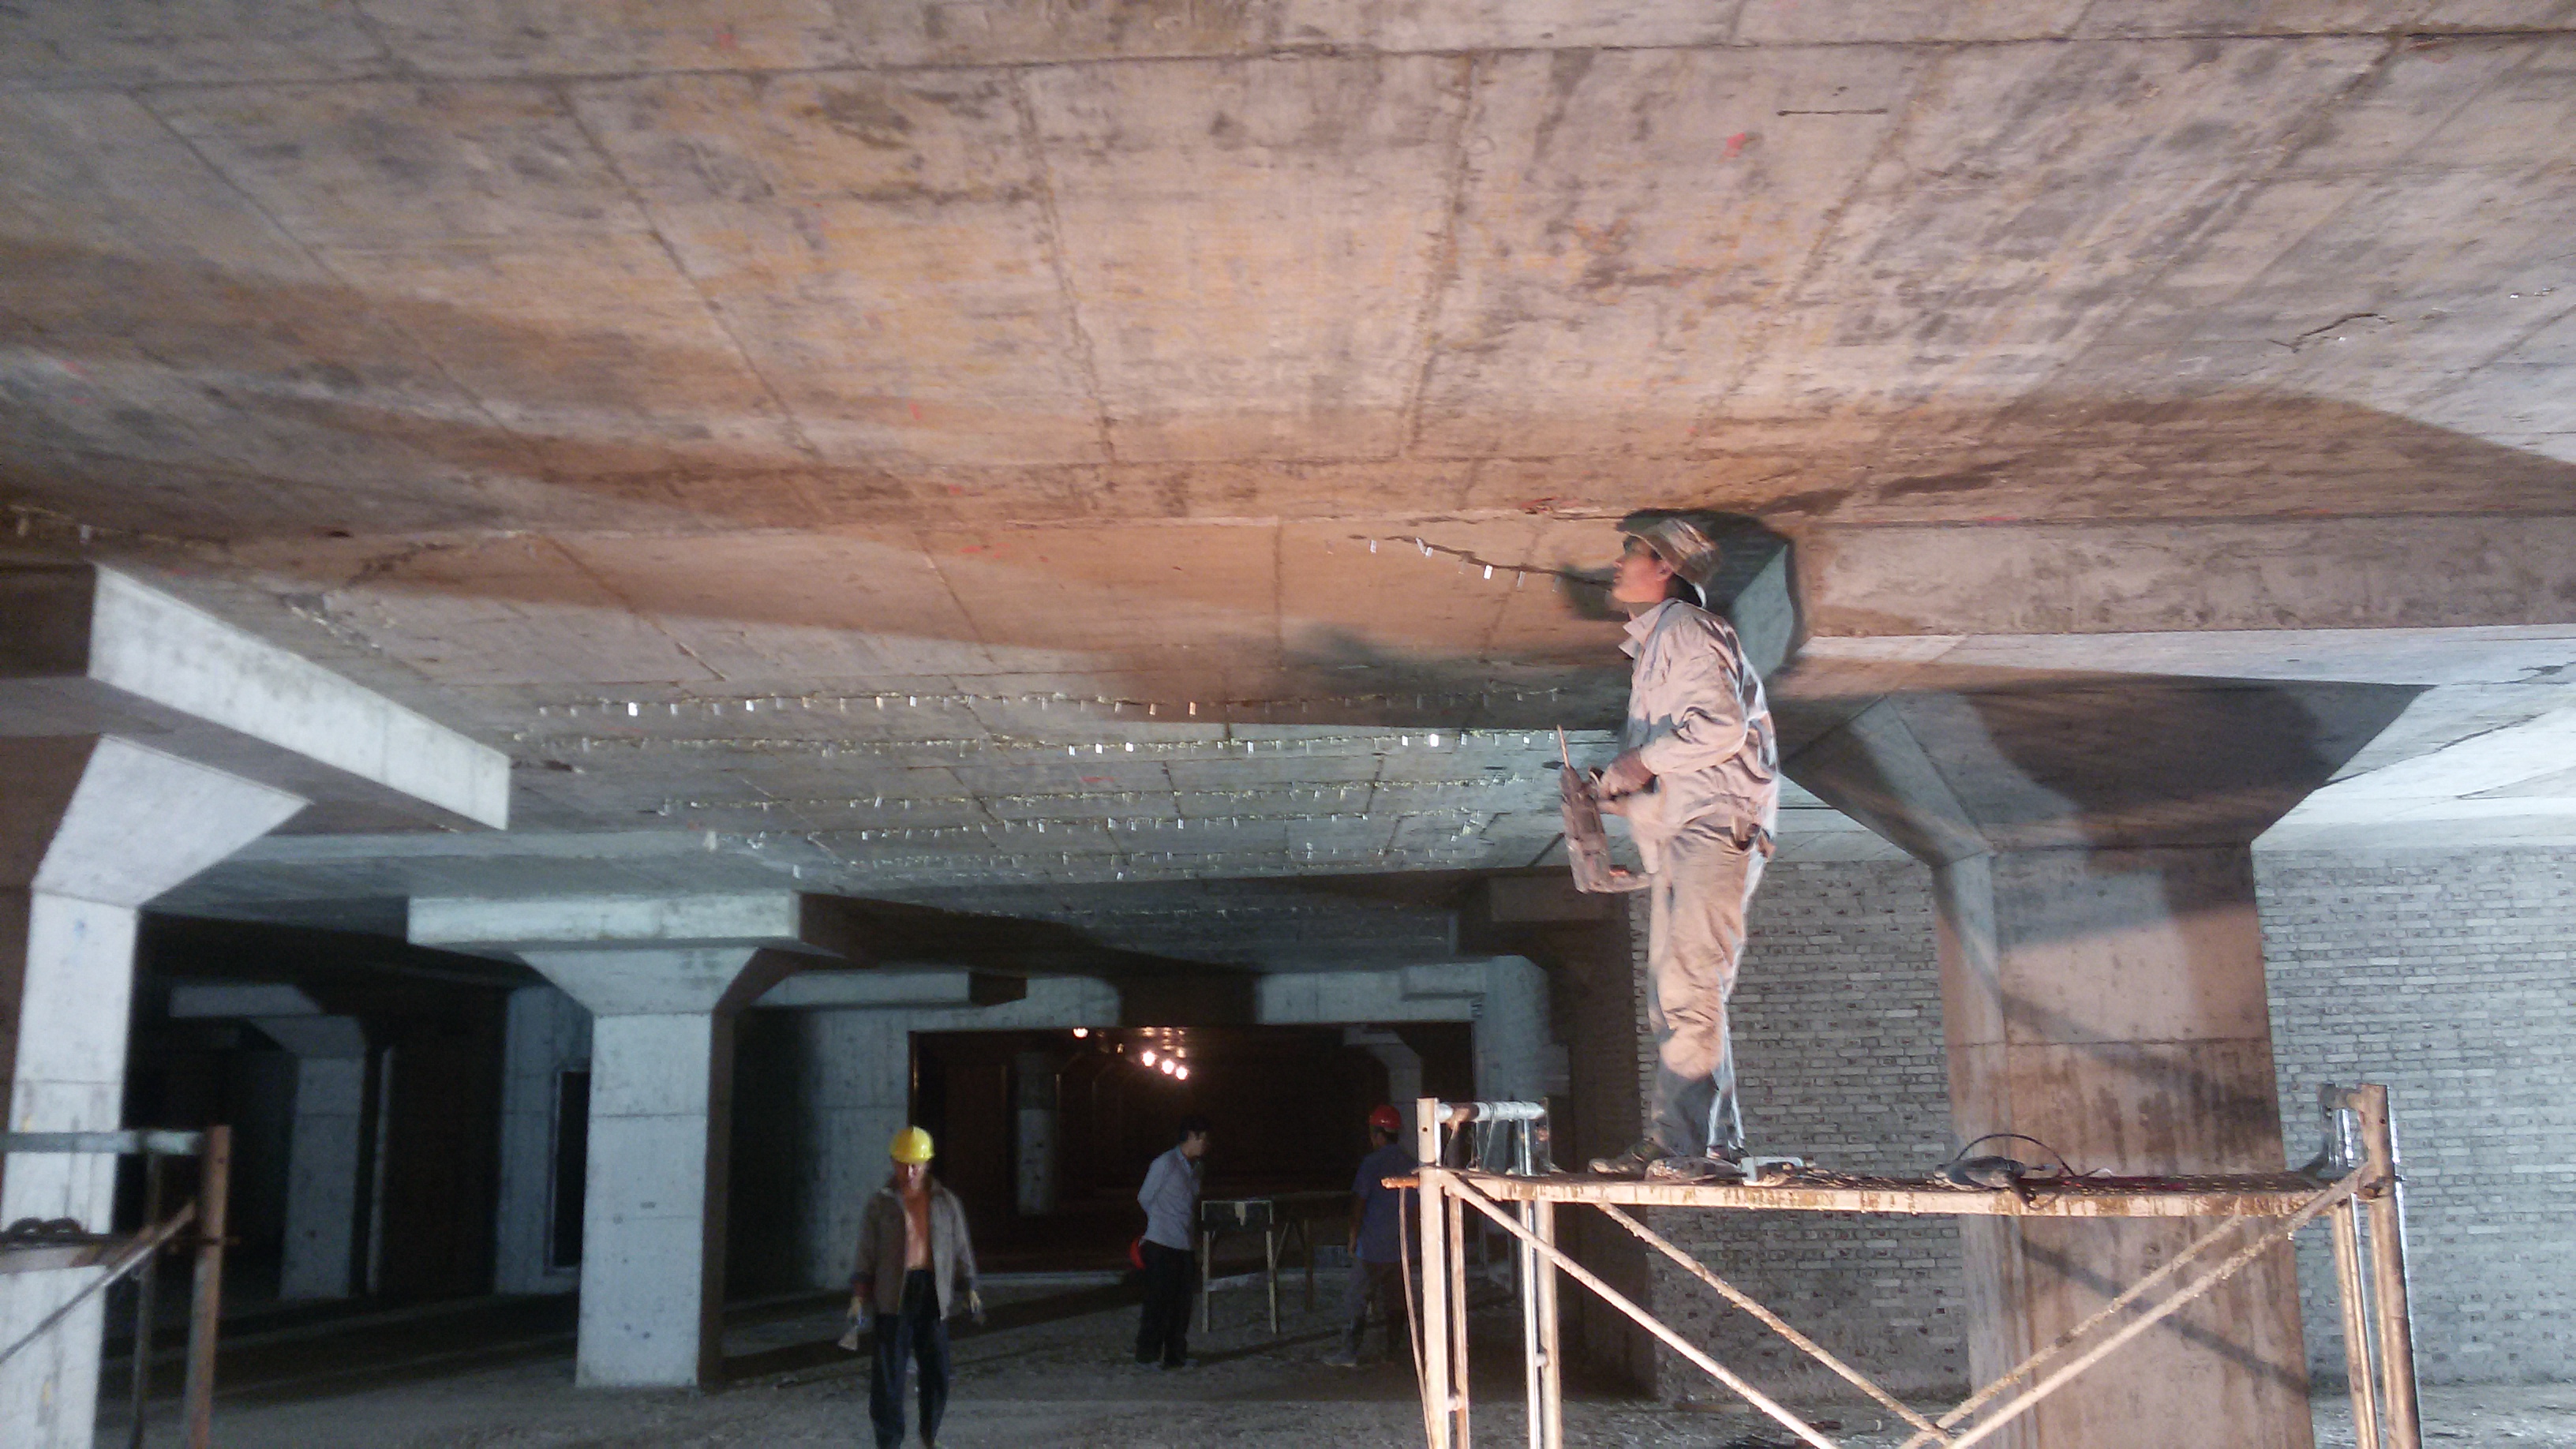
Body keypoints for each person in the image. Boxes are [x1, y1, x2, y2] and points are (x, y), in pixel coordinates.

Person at [1586, 512, 1780, 1181]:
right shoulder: (1662, 643)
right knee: (1677, 997)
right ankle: (1711, 1145)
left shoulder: (1687, 631)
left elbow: (1720, 729)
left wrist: (1640, 763)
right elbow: (1682, 764)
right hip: (1693, 832)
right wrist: (1629, 802)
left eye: (1628, 554)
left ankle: (1686, 1148)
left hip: (1715, 828)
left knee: (1689, 987)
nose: (1617, 567)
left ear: (1663, 566)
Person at [848, 1126, 983, 1449]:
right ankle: (889, 1440)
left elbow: (961, 1247)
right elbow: (866, 1252)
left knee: (936, 1369)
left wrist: (970, 1287)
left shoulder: (946, 1203)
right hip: (892, 1295)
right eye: (902, 1163)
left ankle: (929, 1433)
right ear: (893, 1163)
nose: (909, 1171)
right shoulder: (880, 1205)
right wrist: (858, 1295)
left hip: (932, 1293)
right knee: (888, 1376)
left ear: (927, 1165)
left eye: (915, 1164)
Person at [1323, 1104, 1415, 1368]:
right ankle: (1393, 1351)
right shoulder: (1410, 1164)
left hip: (1372, 1247)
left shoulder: (1371, 1163)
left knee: (1357, 1298)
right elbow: (1416, 1209)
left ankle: (1349, 1352)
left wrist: (1353, 1236)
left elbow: (1359, 1204)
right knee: (1396, 1301)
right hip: (1400, 1247)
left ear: (1377, 1134)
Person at [1134, 1114, 1210, 1368]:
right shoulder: (1165, 1164)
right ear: (1190, 1136)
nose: (1205, 1144)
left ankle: (1176, 1355)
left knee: (1181, 1304)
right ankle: (1147, 1355)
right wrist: (1161, 1221)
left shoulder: (1196, 1168)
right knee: (1158, 1302)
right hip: (1161, 1243)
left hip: (1184, 1244)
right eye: (1202, 1138)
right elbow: (1145, 1197)